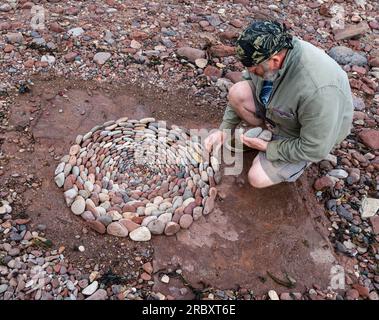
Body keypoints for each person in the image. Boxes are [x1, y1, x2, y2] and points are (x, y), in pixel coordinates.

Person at [204, 20, 354, 188]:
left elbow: (314, 148)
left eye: (254, 70)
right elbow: (249, 80)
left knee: (257, 177)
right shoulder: (271, 52)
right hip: (283, 111)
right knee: (238, 92)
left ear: (275, 61)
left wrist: (269, 147)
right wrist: (224, 131)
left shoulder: (318, 91)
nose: (251, 72)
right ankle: (268, 132)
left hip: (306, 138)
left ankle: (289, 155)